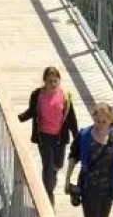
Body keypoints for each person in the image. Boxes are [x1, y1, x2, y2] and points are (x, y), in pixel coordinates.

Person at [17, 66, 78, 204]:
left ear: (59, 81)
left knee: (58, 164)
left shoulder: (65, 96)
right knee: (47, 166)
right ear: (44, 81)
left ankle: (53, 175)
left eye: (55, 81)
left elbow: (71, 119)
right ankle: (49, 195)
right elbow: (32, 111)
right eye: (50, 81)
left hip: (60, 137)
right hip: (44, 136)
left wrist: (77, 137)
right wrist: (18, 118)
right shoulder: (37, 95)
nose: (53, 84)